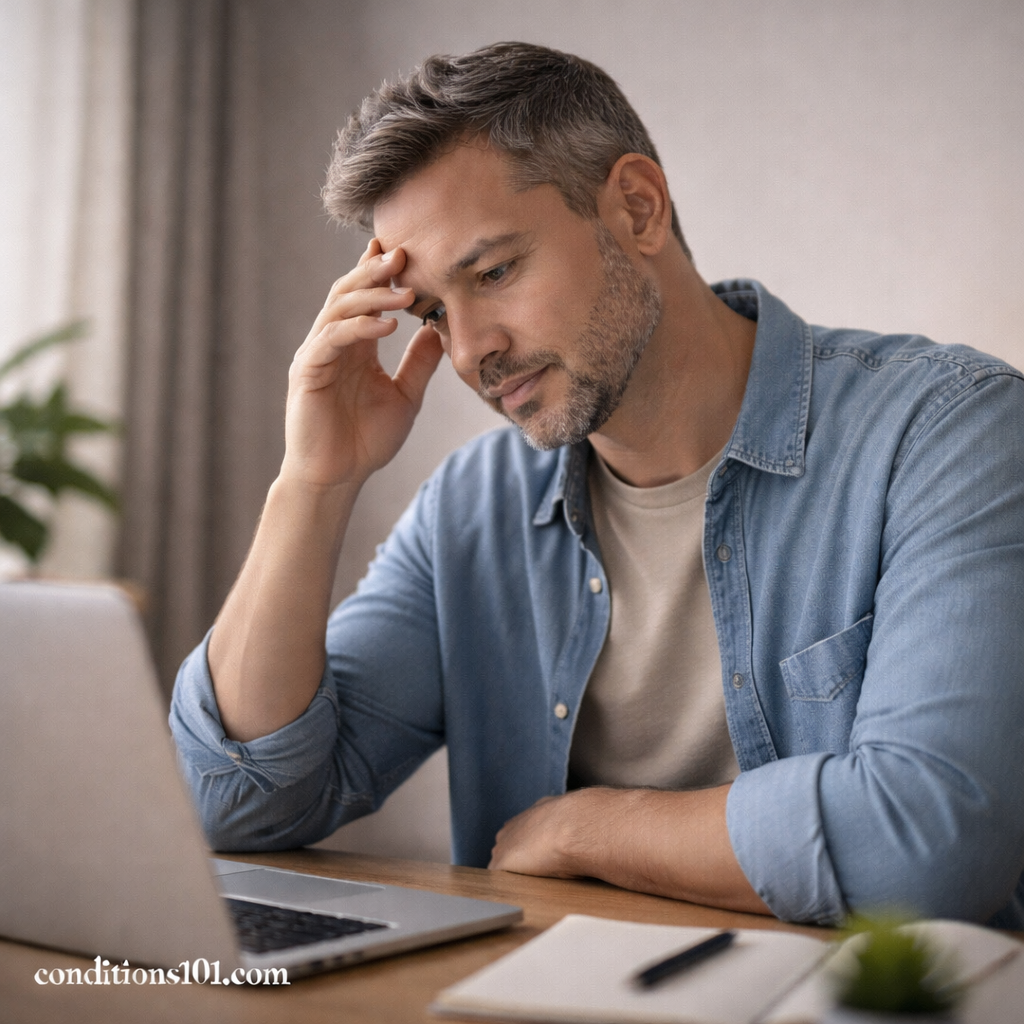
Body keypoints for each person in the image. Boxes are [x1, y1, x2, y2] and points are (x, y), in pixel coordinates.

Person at [170, 42, 1024, 927]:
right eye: (431, 313)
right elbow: (233, 804)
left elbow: (934, 842)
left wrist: (588, 830)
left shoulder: (948, 434)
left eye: (494, 272)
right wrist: (312, 483)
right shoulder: (473, 512)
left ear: (638, 209)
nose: (468, 352)